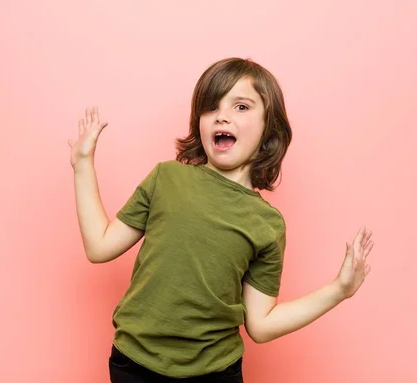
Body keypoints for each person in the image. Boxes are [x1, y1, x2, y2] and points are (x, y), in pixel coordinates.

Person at [69, 58, 373, 382]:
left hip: (214, 372)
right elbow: (99, 246)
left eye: (241, 106)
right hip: (135, 364)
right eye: (211, 107)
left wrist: (339, 290)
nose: (222, 116)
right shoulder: (166, 177)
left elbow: (262, 324)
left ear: (269, 128)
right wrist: (83, 164)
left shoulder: (267, 224)